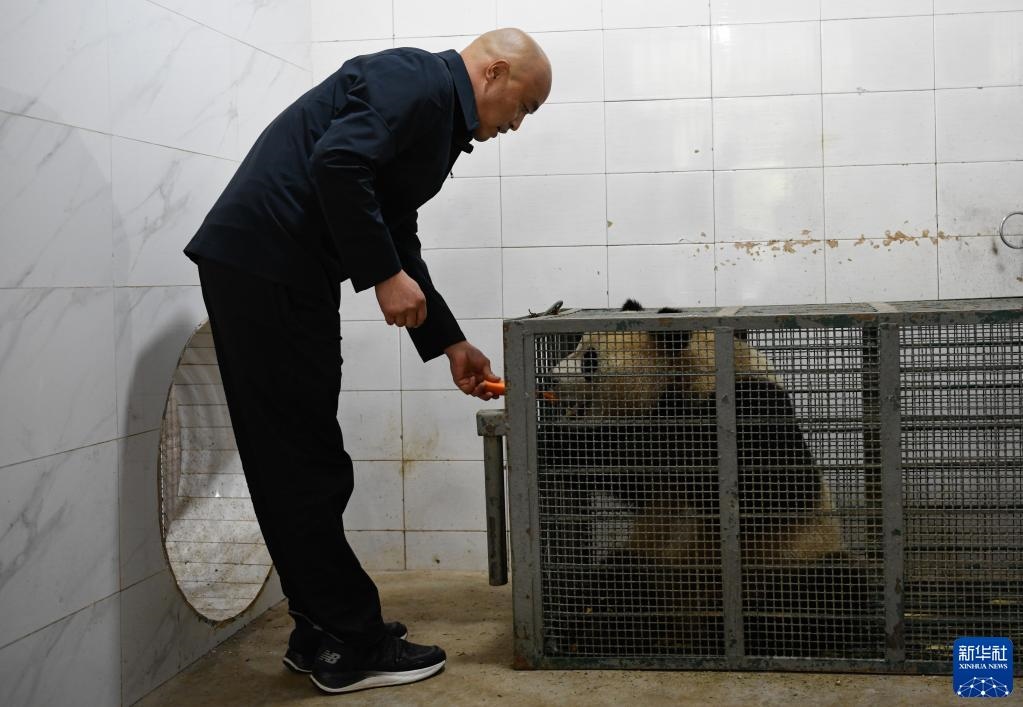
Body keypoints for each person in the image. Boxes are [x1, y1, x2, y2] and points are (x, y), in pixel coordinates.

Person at [183, 28, 551, 695]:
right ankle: (349, 643)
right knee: (304, 459)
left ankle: (318, 630)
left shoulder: (433, 111)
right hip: (267, 264)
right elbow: (338, 163)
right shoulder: (416, 79)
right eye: (522, 107)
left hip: (274, 266)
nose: (516, 125)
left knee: (300, 454)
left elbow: (392, 223)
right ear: (495, 73)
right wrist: (381, 275)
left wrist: (449, 341)